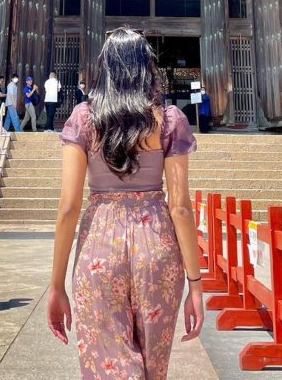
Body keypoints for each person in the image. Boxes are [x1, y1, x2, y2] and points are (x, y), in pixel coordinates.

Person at [47, 27, 203, 377]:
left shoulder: (84, 119)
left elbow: (68, 206)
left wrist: (56, 285)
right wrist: (195, 284)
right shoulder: (170, 120)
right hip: (157, 248)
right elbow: (180, 206)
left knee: (108, 367)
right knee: (152, 368)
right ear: (146, 67)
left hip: (98, 247)